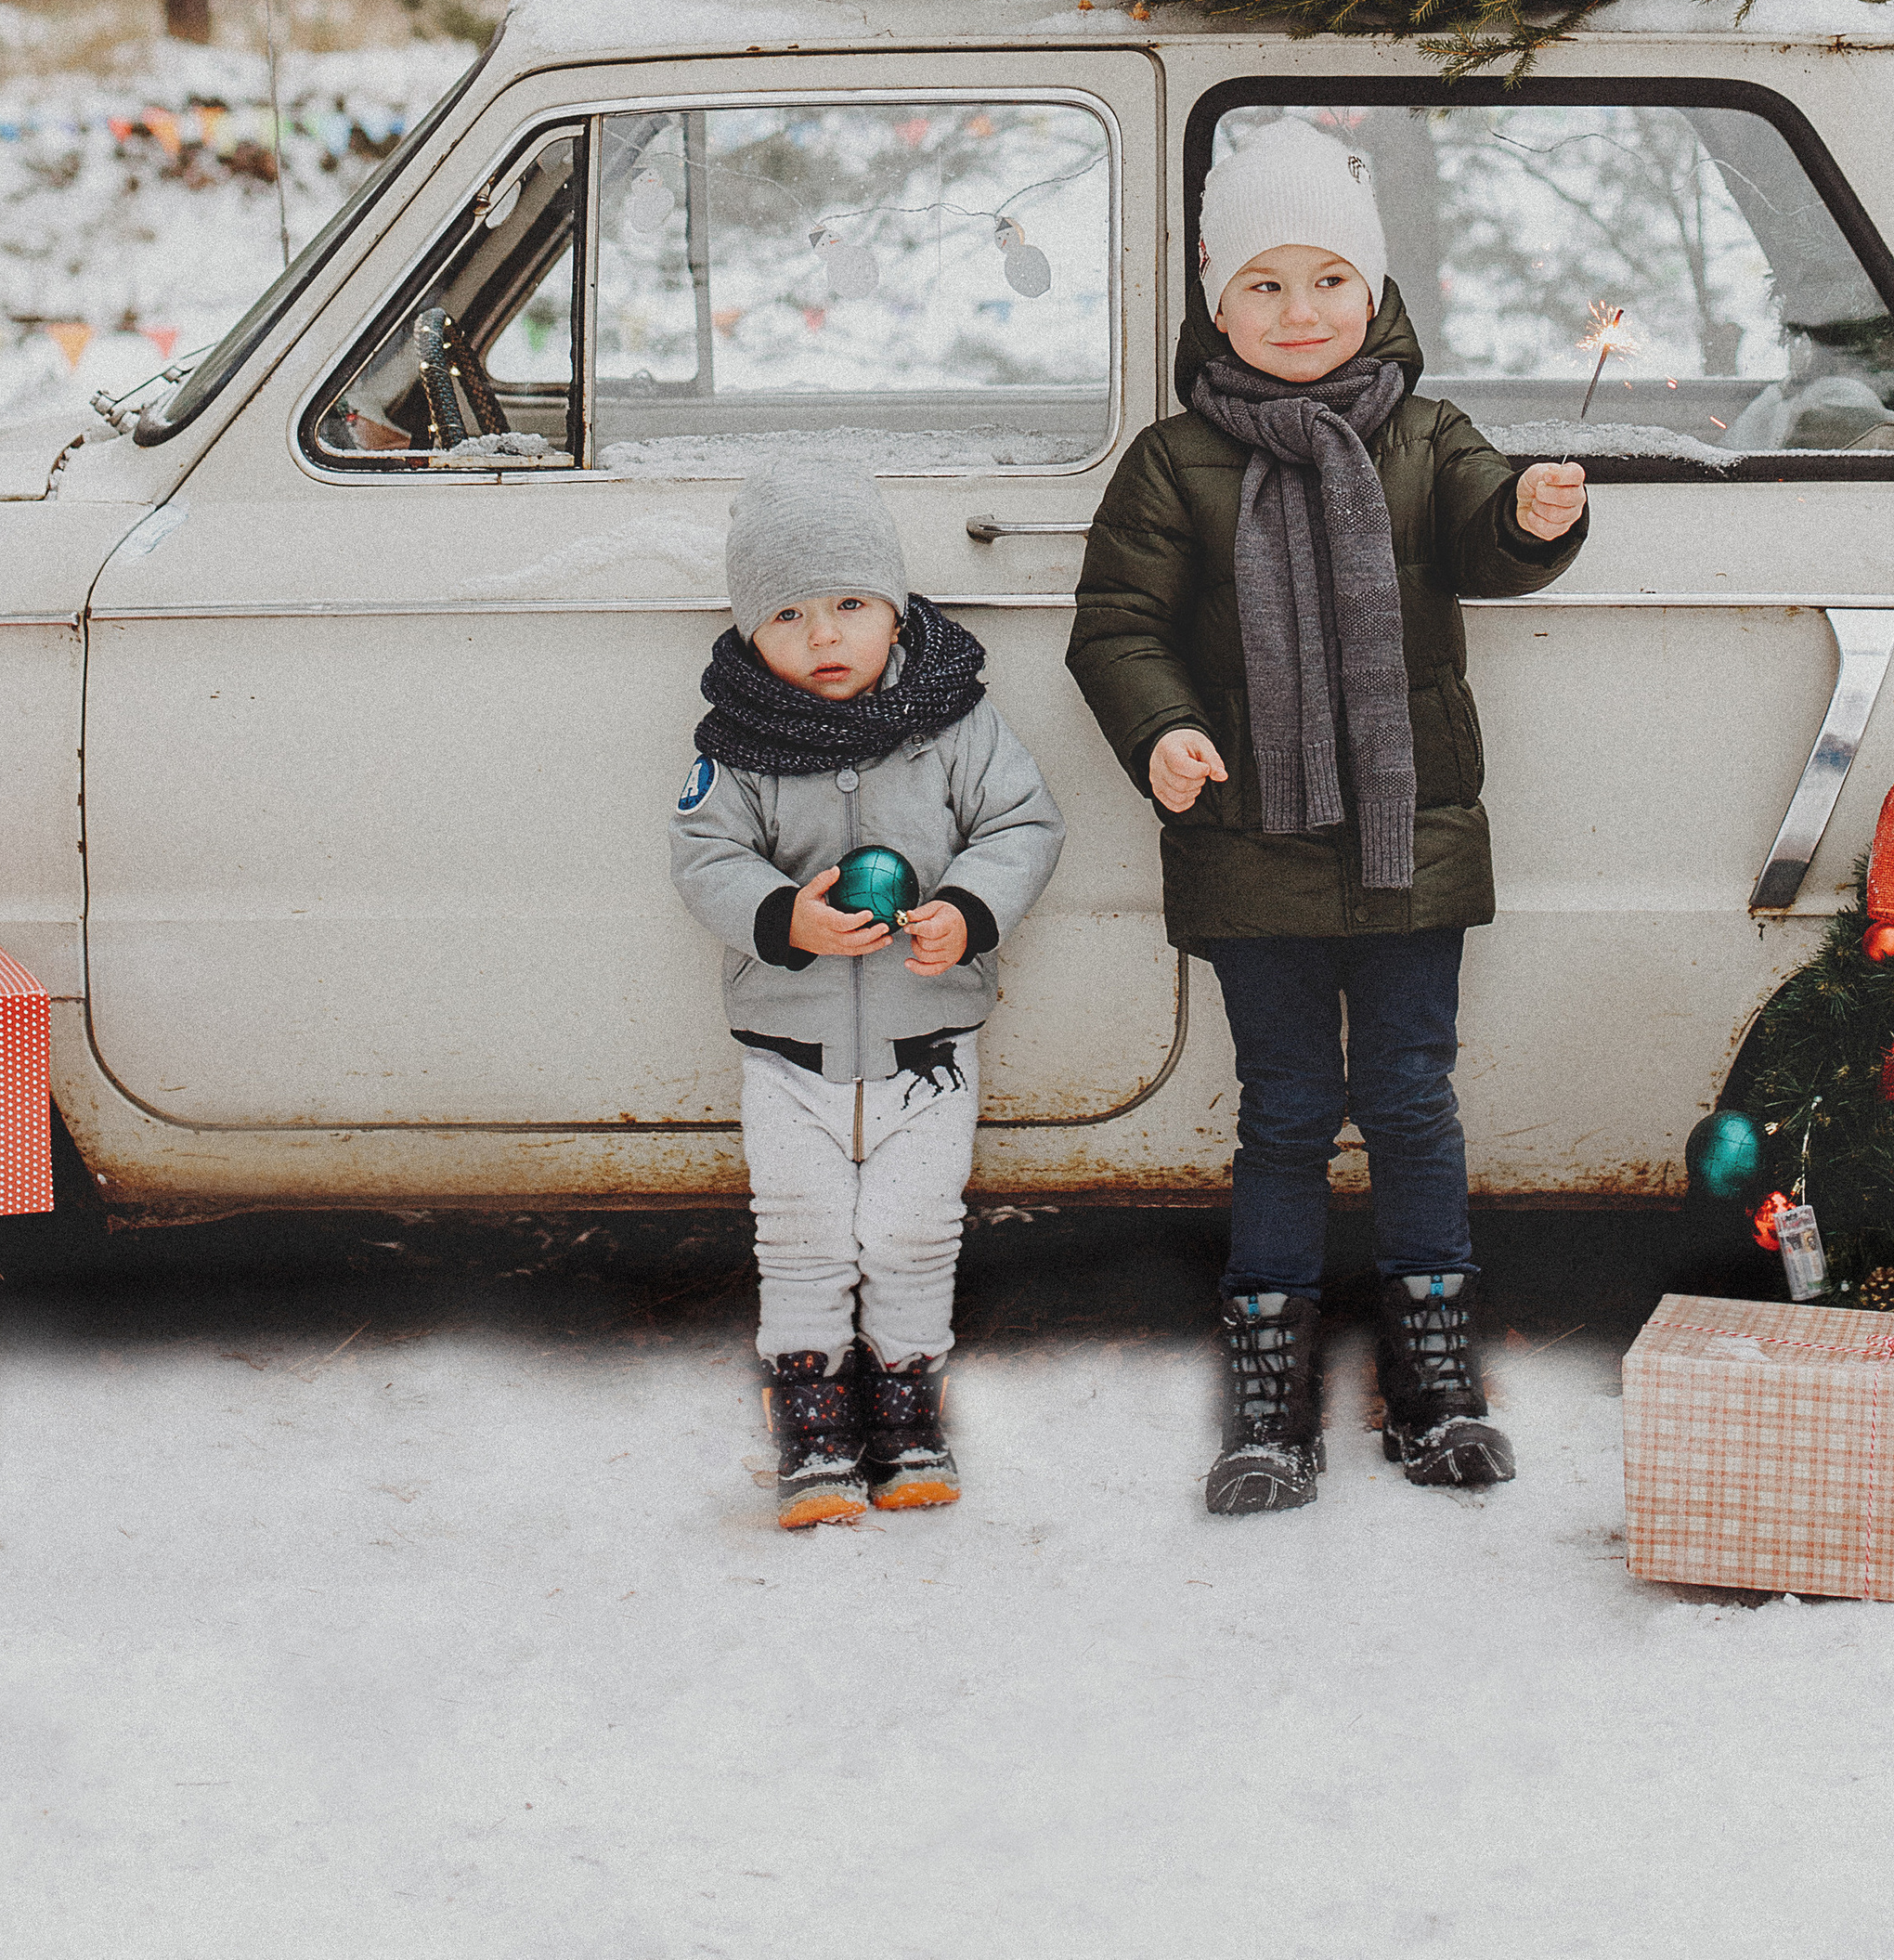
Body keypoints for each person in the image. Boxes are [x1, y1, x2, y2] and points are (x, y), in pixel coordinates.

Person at [1067, 120, 1589, 1516]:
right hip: (1254, 844)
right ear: (1215, 302)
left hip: (1410, 838)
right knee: (1288, 1109)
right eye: (1264, 285)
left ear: (1374, 290)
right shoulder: (1176, 462)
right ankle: (1270, 1391)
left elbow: (1483, 529)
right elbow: (1116, 621)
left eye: (1328, 281)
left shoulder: (1428, 433)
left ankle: (1436, 1376)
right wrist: (1166, 726)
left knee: (1414, 1099)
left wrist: (1533, 514)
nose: (1300, 313)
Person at [673, 467, 1064, 1530]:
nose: (824, 634)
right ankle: (811, 1415)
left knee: (911, 1230)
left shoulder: (956, 724)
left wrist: (969, 910)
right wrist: (781, 916)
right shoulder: (736, 745)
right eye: (789, 615)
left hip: (923, 1045)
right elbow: (703, 856)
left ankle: (904, 1402)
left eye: (850, 603)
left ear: (895, 607)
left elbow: (1022, 826)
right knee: (798, 1233)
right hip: (787, 1049)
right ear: (753, 633)